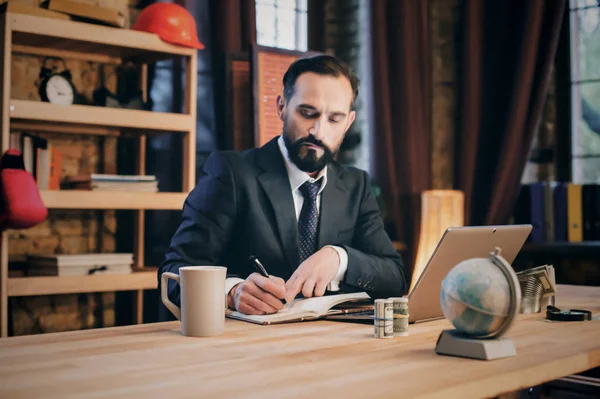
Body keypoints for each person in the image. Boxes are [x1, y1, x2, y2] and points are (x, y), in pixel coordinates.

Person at [159, 54, 408, 316]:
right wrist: (232, 292)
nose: (318, 131)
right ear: (281, 107)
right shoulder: (230, 173)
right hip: (246, 346)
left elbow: (395, 277)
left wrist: (339, 258)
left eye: (334, 119)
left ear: (348, 123)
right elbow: (174, 269)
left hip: (329, 345)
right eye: (307, 113)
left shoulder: (356, 186)